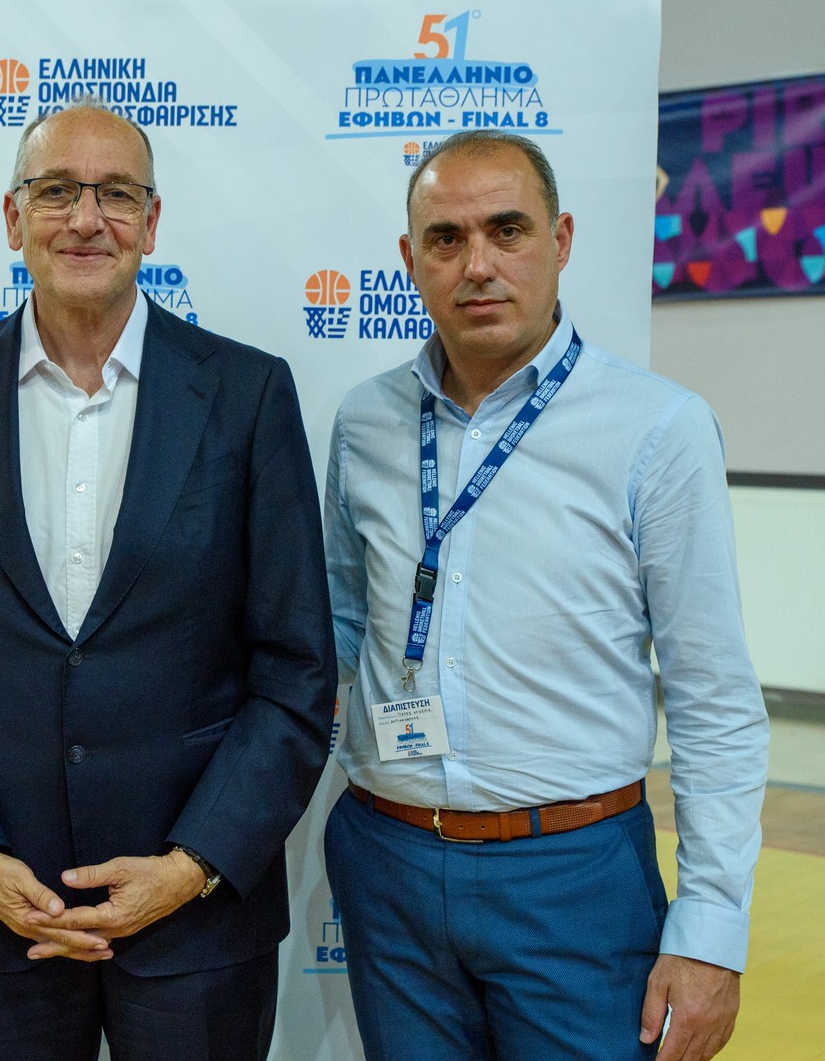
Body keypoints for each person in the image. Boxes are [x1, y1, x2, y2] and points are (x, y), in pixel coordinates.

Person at [0, 97, 336, 1061]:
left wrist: (190, 868)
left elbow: (297, 670)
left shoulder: (247, 394)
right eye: (56, 191)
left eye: (116, 194)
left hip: (196, 928)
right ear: (12, 217)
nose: (85, 219)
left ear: (152, 222)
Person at [322, 129, 769, 1061]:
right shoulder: (364, 422)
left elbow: (713, 696)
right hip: (388, 866)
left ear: (561, 241)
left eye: (508, 230)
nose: (477, 265)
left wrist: (711, 932)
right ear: (410, 259)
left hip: (575, 878)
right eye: (446, 239)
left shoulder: (658, 429)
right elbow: (343, 625)